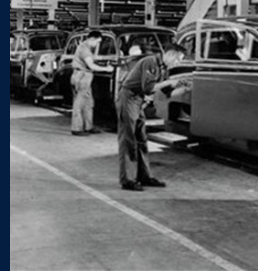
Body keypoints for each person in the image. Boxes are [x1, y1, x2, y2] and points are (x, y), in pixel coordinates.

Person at [116, 44, 186, 192]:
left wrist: (182, 87)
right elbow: (149, 88)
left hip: (138, 100)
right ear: (171, 54)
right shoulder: (150, 62)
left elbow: (166, 92)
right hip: (128, 97)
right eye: (178, 59)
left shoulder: (163, 68)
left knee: (141, 139)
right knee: (129, 139)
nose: (178, 63)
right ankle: (128, 180)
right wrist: (169, 82)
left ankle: (144, 176)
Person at [71, 31, 114, 136]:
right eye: (97, 42)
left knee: (89, 103)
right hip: (82, 77)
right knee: (79, 104)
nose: (97, 44)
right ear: (92, 39)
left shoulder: (87, 47)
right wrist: (107, 69)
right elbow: (91, 66)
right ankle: (76, 128)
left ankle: (88, 127)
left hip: (85, 76)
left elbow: (92, 61)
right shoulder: (84, 49)